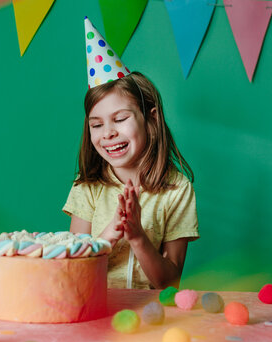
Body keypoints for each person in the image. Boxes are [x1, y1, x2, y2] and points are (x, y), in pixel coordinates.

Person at [62, 17, 199, 290]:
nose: (108, 133)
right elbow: (73, 270)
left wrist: (137, 236)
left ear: (152, 119)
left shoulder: (177, 189)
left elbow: (170, 283)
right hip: (95, 311)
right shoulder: (88, 186)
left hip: (150, 318)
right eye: (97, 124)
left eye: (120, 119)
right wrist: (110, 234)